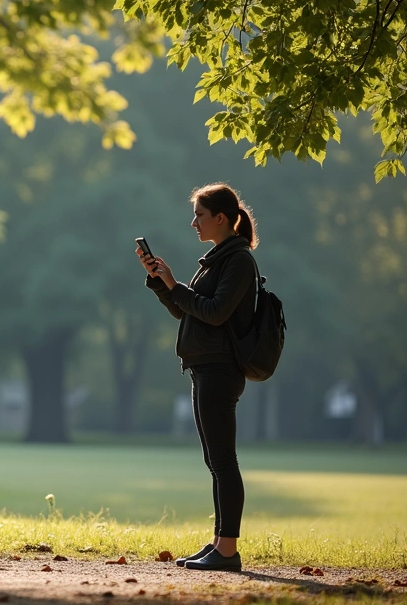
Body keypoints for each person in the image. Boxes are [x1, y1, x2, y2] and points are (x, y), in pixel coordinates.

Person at [137, 183, 259, 572]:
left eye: (199, 215)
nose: (194, 222)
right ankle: (220, 544)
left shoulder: (237, 260)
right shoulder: (217, 259)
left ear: (220, 218)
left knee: (224, 461)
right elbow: (190, 311)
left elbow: (216, 311)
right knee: (216, 461)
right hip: (204, 366)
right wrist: (162, 283)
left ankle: (227, 551)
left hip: (221, 369)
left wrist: (175, 285)